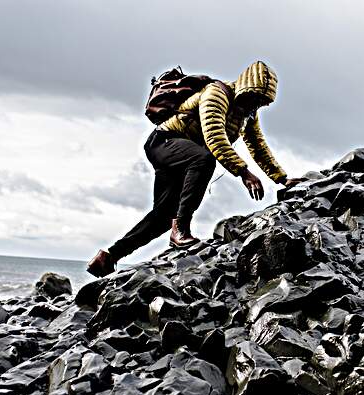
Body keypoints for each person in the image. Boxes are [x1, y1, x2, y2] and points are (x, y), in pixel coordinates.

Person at [87, 61, 304, 277]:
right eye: (256, 97)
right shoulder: (216, 94)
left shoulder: (247, 114)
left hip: (183, 155)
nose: (257, 105)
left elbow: (258, 146)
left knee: (163, 216)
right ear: (246, 88)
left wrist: (282, 179)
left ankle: (108, 257)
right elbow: (214, 137)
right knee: (204, 160)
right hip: (163, 142)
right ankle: (181, 230)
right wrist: (243, 172)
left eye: (262, 102)